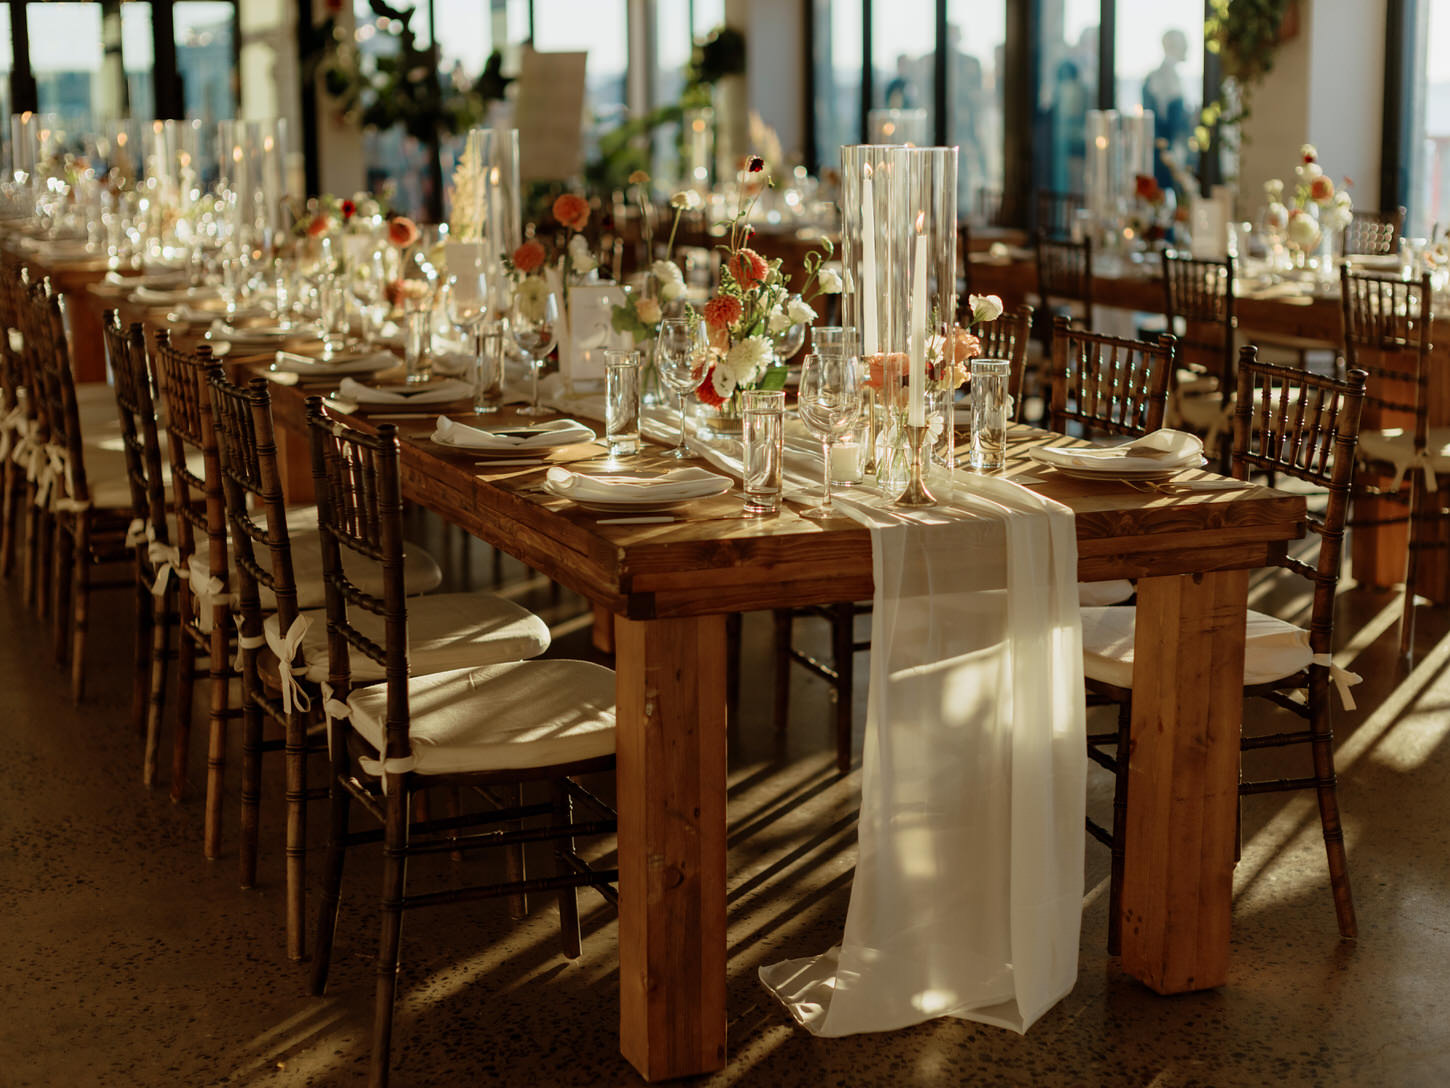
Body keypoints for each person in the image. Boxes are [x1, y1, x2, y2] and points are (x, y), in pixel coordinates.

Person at [1142, 29, 1193, 189]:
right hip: (1165, 153)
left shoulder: (1163, 75)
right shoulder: (1167, 77)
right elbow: (1173, 120)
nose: (1187, 48)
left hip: (1163, 150)